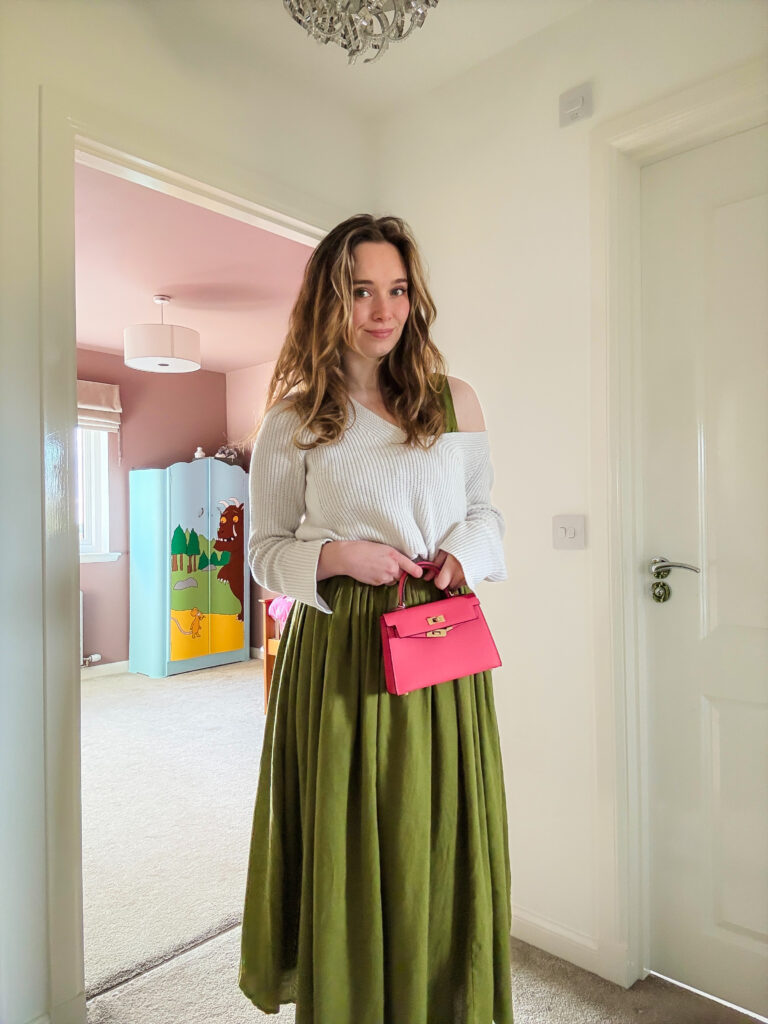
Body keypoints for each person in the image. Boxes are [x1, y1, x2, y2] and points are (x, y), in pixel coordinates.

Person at [239, 214, 513, 1024]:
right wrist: (336, 558)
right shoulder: (291, 422)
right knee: (354, 842)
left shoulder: (453, 401)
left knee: (437, 831)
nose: (381, 309)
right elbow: (264, 553)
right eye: (361, 290)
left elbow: (484, 513)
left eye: (396, 290)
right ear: (330, 301)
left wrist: (464, 553)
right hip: (342, 649)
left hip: (436, 638)